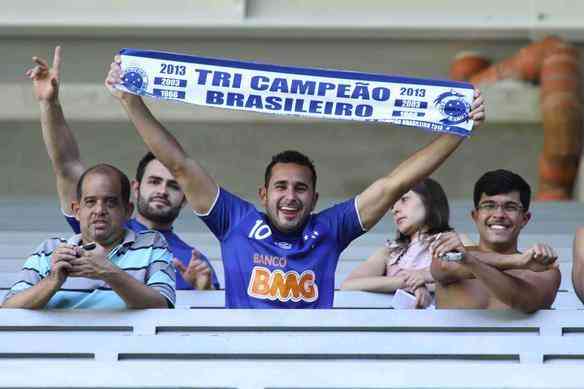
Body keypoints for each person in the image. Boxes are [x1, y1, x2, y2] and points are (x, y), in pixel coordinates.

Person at [105, 56, 485, 308]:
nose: (290, 196)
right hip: (243, 363)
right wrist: (130, 102)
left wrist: (457, 130)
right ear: (263, 194)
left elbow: (393, 184)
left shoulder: (330, 229)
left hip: (311, 361)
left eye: (300, 188)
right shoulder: (235, 221)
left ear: (314, 197)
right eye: (281, 187)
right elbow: (181, 165)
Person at [25, 46, 218, 290]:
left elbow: (206, 321)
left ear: (185, 199)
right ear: (135, 189)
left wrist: (200, 292)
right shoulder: (105, 221)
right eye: (154, 181)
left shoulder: (195, 261)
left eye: (173, 185)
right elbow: (67, 165)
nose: (162, 191)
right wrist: (49, 103)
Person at [2, 165, 175, 309]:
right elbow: (8, 309)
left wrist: (108, 272)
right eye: (90, 202)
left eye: (111, 202)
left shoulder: (152, 244)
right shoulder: (50, 250)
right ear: (77, 211)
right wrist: (53, 281)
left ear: (127, 211)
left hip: (128, 347)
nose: (99, 211)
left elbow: (162, 306)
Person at [431, 169, 561, 313]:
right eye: (489, 205)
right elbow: (443, 267)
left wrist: (470, 261)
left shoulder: (542, 268)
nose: (499, 214)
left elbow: (525, 301)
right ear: (475, 216)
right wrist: (517, 261)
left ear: (525, 219)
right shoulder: (449, 255)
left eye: (510, 207)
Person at [341, 178, 452, 308]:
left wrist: (424, 277)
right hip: (396, 324)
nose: (395, 210)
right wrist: (409, 283)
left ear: (429, 201)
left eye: (404, 200)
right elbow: (348, 285)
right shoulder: (389, 252)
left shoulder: (454, 241)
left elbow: (472, 273)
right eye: (392, 206)